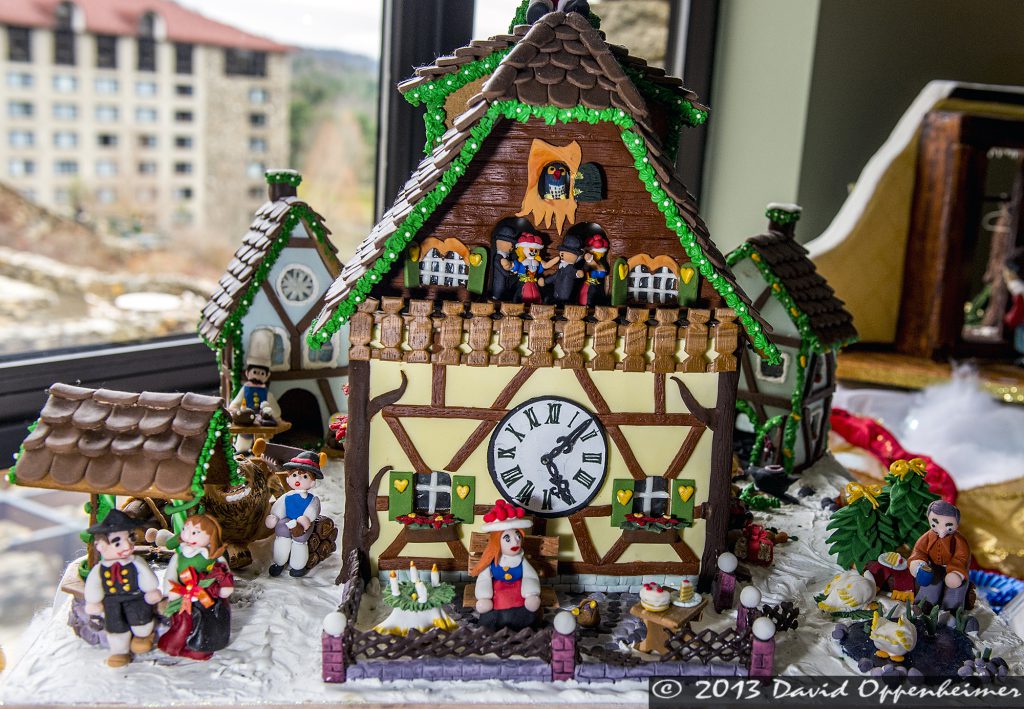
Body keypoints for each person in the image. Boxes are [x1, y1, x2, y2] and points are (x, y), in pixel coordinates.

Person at [83, 509, 161, 667]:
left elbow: (147, 578)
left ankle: (143, 636)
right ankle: (120, 651)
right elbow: (93, 585)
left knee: (141, 620)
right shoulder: (100, 568)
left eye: (130, 538)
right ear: (101, 545)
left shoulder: (135, 562)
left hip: (135, 598)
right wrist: (93, 601)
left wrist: (151, 590)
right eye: (118, 542)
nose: (127, 545)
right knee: (115, 626)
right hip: (111, 601)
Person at [158, 515, 234, 661]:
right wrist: (172, 590)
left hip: (208, 599)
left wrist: (224, 587)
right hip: (184, 596)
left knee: (205, 624)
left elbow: (225, 575)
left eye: (195, 532)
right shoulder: (179, 557)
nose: (187, 535)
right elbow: (170, 575)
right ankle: (179, 644)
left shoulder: (214, 558)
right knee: (182, 622)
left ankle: (202, 648)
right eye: (185, 529)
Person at [471, 500, 541, 631]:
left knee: (521, 602)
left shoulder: (521, 559)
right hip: (498, 587)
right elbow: (484, 579)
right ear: (497, 542)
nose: (515, 542)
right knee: (499, 599)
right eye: (507, 538)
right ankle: (495, 627)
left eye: (518, 536)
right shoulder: (493, 560)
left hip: (519, 587)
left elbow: (530, 576)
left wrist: (531, 592)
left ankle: (522, 627)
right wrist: (484, 595)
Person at [265, 450, 325, 578]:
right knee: (281, 533)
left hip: (304, 524)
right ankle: (279, 562)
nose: (298, 479)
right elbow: (279, 507)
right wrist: (274, 516)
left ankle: (298, 566)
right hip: (287, 519)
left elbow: (312, 511)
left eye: (304, 477)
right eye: (294, 475)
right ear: (288, 478)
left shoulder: (312, 499)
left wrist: (305, 520)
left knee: (300, 539)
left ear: (312, 482)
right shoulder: (287, 496)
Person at [908, 500, 972, 610]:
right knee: (931, 584)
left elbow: (962, 557)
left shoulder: (959, 540)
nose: (942, 532)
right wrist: (919, 562)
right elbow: (919, 550)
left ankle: (952, 610)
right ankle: (924, 605)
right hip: (933, 567)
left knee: (957, 589)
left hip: (954, 570)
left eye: (949, 526)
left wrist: (956, 571)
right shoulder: (927, 537)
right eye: (935, 524)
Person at [542, 233, 584, 304]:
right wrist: (545, 281)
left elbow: (575, 273)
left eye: (566, 252)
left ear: (575, 256)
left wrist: (578, 274)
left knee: (562, 304)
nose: (562, 254)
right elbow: (555, 276)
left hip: (564, 295)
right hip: (556, 293)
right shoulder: (561, 266)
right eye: (562, 251)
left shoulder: (570, 268)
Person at [510, 233, 545, 305]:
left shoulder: (536, 262)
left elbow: (540, 270)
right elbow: (515, 267)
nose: (533, 252)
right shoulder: (522, 262)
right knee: (521, 293)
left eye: (536, 251)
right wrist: (511, 266)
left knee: (535, 294)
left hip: (533, 283)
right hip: (523, 282)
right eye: (531, 250)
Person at [490, 224, 520, 301]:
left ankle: (502, 298)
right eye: (511, 244)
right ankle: (496, 298)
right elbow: (499, 266)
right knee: (499, 288)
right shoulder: (498, 257)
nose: (512, 248)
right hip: (499, 280)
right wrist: (508, 273)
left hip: (504, 280)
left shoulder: (506, 257)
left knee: (504, 288)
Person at [579, 233, 609, 306]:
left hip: (596, 286)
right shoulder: (586, 261)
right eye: (592, 253)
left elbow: (602, 272)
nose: (594, 255)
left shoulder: (600, 263)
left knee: (592, 298)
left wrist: (591, 262)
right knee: (583, 297)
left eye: (597, 254)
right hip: (586, 284)